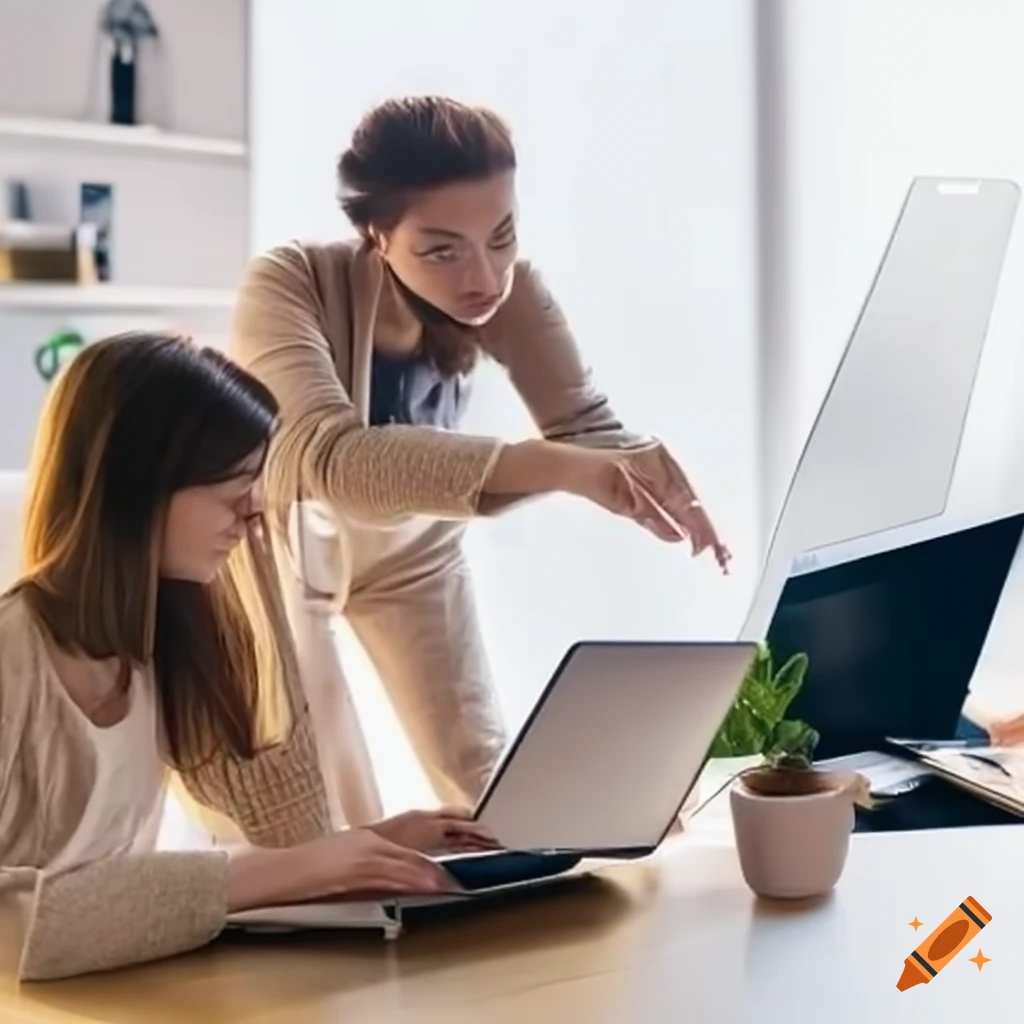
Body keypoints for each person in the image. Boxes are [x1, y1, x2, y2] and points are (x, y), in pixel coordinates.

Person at [229, 94, 733, 825]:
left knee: (493, 787)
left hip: (412, 552)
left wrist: (655, 476)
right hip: (279, 554)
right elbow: (327, 464)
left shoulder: (514, 292)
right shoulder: (289, 282)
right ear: (378, 234)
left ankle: (615, 836)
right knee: (320, 818)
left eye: (502, 237)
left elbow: (584, 427)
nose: (485, 277)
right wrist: (562, 467)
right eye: (443, 250)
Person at [0, 332, 495, 982]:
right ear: (138, 483)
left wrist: (365, 846)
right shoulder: (14, 658)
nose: (253, 513)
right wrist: (293, 870)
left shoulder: (155, 647)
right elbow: (14, 928)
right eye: (234, 489)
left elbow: (125, 885)